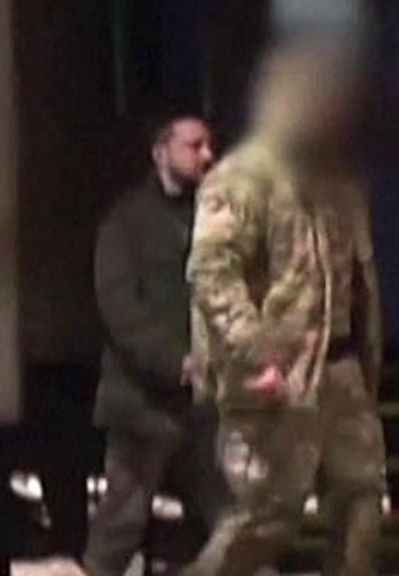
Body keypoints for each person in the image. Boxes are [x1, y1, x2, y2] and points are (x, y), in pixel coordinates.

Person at [181, 37, 385, 576]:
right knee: (268, 516)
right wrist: (255, 355)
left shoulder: (339, 183)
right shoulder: (243, 178)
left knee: (362, 497)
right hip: (278, 374)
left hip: (340, 369)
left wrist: (366, 362)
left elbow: (356, 277)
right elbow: (211, 273)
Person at [83, 114, 224, 576]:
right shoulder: (127, 222)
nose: (207, 155)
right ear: (161, 152)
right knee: (121, 523)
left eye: (209, 145)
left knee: (231, 522)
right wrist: (174, 362)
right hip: (141, 402)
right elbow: (120, 308)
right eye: (194, 146)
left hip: (203, 403)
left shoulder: (213, 220)